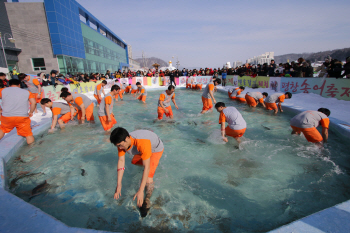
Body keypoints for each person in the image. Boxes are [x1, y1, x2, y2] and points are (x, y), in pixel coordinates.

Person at [110, 127, 164, 216]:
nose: (120, 148)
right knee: (134, 162)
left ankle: (147, 199)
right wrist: (119, 184)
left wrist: (140, 190)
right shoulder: (121, 142)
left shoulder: (142, 143)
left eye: (120, 145)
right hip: (143, 149)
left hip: (155, 149)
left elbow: (146, 168)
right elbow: (121, 161)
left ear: (127, 138)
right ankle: (147, 158)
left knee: (148, 177)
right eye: (117, 146)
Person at [0, 79, 36, 144]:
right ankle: (31, 149)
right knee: (28, 134)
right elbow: (33, 103)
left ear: (9, 85)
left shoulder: (2, 90)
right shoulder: (27, 92)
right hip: (22, 117)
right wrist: (31, 112)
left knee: (2, 129)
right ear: (19, 84)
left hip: (7, 116)